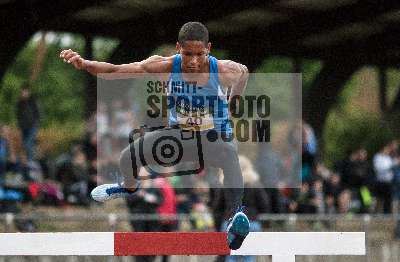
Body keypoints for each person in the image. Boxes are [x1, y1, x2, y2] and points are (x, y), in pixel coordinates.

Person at [60, 22, 250, 249]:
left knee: (230, 154)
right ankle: (128, 187)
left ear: (208, 49)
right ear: (178, 48)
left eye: (200, 54)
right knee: (127, 157)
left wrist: (232, 104)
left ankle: (235, 216)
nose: (194, 61)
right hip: (179, 136)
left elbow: (244, 72)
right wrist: (85, 63)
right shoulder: (164, 65)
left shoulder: (223, 70)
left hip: (213, 137)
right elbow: (115, 70)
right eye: (188, 54)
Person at [16, 84, 40, 163]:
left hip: (32, 126)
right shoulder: (20, 103)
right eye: (22, 92)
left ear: (28, 92)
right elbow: (18, 115)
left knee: (28, 144)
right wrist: (19, 126)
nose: (23, 93)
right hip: (24, 127)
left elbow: (37, 113)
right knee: (25, 145)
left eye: (25, 91)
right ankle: (28, 161)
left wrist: (36, 123)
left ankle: (30, 162)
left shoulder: (32, 100)